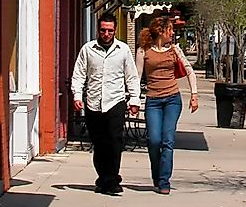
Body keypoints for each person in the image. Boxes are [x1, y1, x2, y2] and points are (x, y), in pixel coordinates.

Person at [71, 12, 140, 195]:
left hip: (116, 101)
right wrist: (77, 96)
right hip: (94, 102)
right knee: (99, 143)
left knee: (115, 141)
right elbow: (79, 74)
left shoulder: (123, 50)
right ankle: (103, 177)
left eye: (110, 30)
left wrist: (134, 100)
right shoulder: (88, 49)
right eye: (103, 30)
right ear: (98, 30)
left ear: (115, 30)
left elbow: (131, 77)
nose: (106, 34)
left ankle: (112, 179)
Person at [136, 15, 199, 194]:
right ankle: (157, 174)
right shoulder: (143, 51)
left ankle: (164, 181)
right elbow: (136, 77)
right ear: (161, 31)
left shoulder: (175, 50)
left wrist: (194, 95)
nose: (172, 34)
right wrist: (133, 99)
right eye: (170, 30)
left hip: (172, 99)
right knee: (154, 140)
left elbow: (190, 72)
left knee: (167, 140)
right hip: (153, 100)